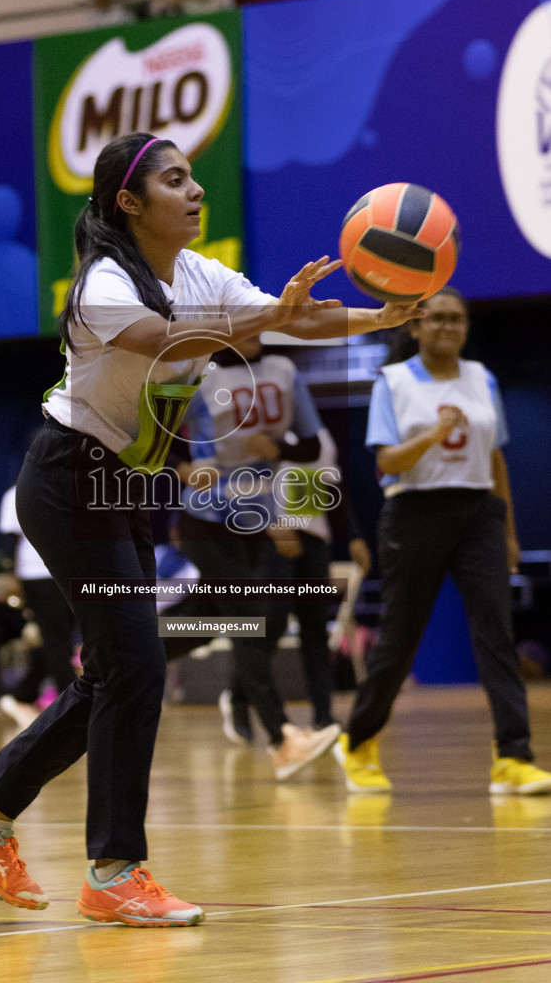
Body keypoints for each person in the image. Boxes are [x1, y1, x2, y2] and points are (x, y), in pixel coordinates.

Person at [0, 131, 423, 927]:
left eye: (194, 177)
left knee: (115, 674)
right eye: (174, 180)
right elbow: (168, 341)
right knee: (138, 669)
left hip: (124, 488)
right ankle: (115, 869)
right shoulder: (102, 285)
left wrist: (378, 313)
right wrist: (261, 319)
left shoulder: (198, 273)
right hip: (70, 480)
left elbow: (288, 320)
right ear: (129, 203)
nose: (194, 190)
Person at [333, 287, 551, 796]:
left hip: (478, 514)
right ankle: (358, 741)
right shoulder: (394, 382)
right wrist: (433, 435)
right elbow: (386, 462)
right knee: (401, 640)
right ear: (415, 327)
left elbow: (495, 459)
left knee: (496, 633)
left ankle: (513, 757)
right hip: (414, 513)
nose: (448, 327)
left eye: (457, 319)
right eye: (436, 319)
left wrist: (509, 531)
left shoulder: (482, 379)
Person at [177, 335, 342, 776]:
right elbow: (153, 433)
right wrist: (180, 466)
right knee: (250, 618)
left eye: (257, 325)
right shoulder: (197, 375)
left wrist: (279, 451)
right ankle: (282, 738)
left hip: (257, 517)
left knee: (204, 617)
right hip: (208, 521)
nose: (251, 333)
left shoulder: (284, 374)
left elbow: (311, 448)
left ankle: (115, 661)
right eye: (240, 326)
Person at [219, 422, 373, 744]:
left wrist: (355, 535)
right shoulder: (257, 431)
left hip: (314, 537)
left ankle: (323, 717)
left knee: (315, 628)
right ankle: (237, 699)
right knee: (270, 624)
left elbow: (332, 486)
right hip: (271, 538)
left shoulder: (319, 437)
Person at [0, 484, 77, 728]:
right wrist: (11, 575)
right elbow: (9, 538)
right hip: (36, 575)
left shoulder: (72, 489)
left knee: (57, 638)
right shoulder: (16, 493)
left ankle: (22, 695)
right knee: (56, 637)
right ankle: (72, 704)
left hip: (67, 572)